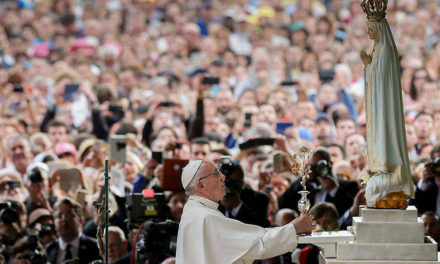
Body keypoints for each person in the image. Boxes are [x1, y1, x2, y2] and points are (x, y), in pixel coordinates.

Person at [176, 160, 315, 264]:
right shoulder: (205, 217)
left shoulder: (194, 211)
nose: (223, 178)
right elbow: (257, 244)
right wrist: (293, 228)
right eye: (215, 174)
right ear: (201, 185)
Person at [359, 0, 414, 208]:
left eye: (371, 29)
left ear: (379, 28)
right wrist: (368, 67)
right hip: (379, 105)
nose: (368, 33)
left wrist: (370, 67)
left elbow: (382, 80)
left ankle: (390, 172)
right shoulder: (380, 51)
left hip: (385, 108)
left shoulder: (386, 51)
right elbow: (376, 78)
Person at [45, 196, 100, 264]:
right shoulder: (48, 250)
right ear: (54, 222)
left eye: (69, 214)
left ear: (80, 220)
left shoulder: (96, 247)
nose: (64, 219)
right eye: (59, 216)